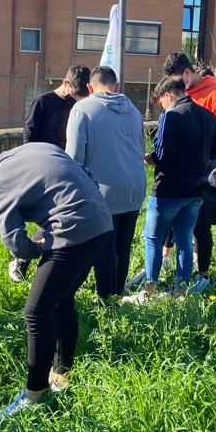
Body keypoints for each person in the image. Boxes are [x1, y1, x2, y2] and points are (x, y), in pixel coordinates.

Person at [0, 145, 112, 422]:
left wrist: (37, 247)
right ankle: (61, 372)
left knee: (36, 312)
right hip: (100, 223)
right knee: (60, 300)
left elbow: (16, 243)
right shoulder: (33, 148)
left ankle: (34, 395)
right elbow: (84, 173)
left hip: (72, 231)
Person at [126, 75, 216, 301]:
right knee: (184, 239)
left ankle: (150, 288)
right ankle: (181, 288)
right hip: (197, 190)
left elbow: (163, 155)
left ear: (168, 95)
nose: (162, 107)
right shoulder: (208, 115)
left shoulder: (171, 116)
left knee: (153, 238)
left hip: (168, 190)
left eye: (161, 102)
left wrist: (149, 158)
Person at [65, 65, 146, 298]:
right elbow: (140, 149)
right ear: (117, 86)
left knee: (104, 249)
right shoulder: (134, 111)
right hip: (133, 188)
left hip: (101, 191)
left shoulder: (82, 108)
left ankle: (107, 300)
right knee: (123, 246)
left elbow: (74, 157)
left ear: (90, 88)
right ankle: (117, 294)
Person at [160, 53, 216, 291]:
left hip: (204, 174)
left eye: (176, 80)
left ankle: (203, 274)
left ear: (186, 74)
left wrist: (204, 158)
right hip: (178, 174)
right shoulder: (183, 96)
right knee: (171, 220)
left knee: (200, 226)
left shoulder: (215, 94)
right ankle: (166, 260)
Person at [23, 65, 91, 149]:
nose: (77, 100)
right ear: (66, 83)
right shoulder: (42, 102)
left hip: (69, 160)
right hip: (45, 157)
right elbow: (29, 136)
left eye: (83, 97)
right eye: (74, 94)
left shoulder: (84, 105)